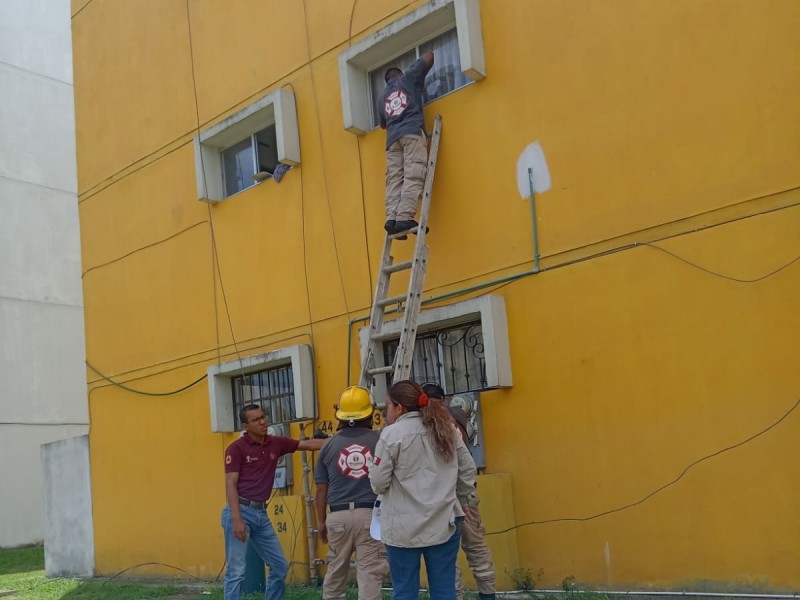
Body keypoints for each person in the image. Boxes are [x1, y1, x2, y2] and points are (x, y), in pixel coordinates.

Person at [369, 380, 476, 600]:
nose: (386, 412)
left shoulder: (390, 435)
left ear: (399, 408)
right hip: (444, 520)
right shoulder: (446, 428)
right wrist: (464, 499)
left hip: (402, 527)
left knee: (405, 592)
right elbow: (467, 469)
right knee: (445, 590)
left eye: (388, 406)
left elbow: (378, 483)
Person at [221, 403, 325, 600]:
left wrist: (341, 441)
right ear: (245, 426)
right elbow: (230, 484)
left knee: (279, 566)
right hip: (240, 511)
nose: (262, 422)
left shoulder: (275, 443)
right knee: (236, 571)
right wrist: (236, 519)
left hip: (261, 514)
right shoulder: (236, 449)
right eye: (256, 420)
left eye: (263, 417)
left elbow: (308, 445)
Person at [421, 384, 497, 600]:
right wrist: (465, 496)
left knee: (446, 558)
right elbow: (467, 465)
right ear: (443, 399)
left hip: (439, 499)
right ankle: (488, 595)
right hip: (465, 495)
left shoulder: (421, 425)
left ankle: (455, 596)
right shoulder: (454, 419)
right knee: (476, 549)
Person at [314, 386, 388, 600]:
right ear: (370, 412)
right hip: (370, 516)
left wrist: (321, 522)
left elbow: (321, 488)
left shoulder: (328, 446)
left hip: (337, 517)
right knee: (370, 574)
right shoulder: (380, 440)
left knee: (336, 572)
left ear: (341, 414)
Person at [380, 51, 434, 238]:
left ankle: (392, 219)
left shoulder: (383, 97)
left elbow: (382, 124)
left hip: (392, 141)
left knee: (395, 180)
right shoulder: (408, 78)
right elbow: (430, 55)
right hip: (411, 132)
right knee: (413, 174)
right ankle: (404, 217)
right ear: (400, 74)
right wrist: (413, 72)